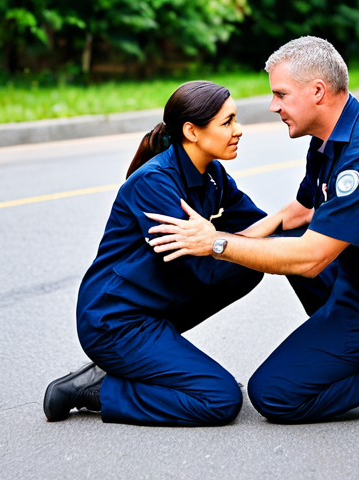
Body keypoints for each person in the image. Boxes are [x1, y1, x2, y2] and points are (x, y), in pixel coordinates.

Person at [146, 36, 359, 423]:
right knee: (289, 238)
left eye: (281, 94)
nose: (273, 105)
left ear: (318, 92)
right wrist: (251, 232)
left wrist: (216, 244)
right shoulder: (327, 141)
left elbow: (311, 260)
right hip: (358, 285)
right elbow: (298, 213)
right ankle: (337, 349)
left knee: (274, 394)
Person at [43, 81, 267, 426]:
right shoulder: (154, 182)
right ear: (191, 131)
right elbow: (203, 269)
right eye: (227, 122)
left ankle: (153, 365)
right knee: (219, 399)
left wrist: (293, 221)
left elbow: (255, 229)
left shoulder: (212, 175)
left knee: (250, 263)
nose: (238, 131)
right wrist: (281, 220)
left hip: (152, 311)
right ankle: (96, 391)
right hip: (114, 321)